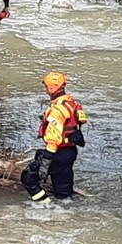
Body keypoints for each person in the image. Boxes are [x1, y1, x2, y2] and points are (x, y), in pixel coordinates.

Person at [21, 71, 87, 203]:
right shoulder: (71, 104)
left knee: (28, 178)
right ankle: (65, 208)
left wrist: (45, 162)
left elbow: (53, 139)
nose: (46, 90)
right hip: (70, 151)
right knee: (62, 186)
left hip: (58, 152)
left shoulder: (57, 110)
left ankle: (45, 205)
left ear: (51, 88)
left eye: (46, 87)